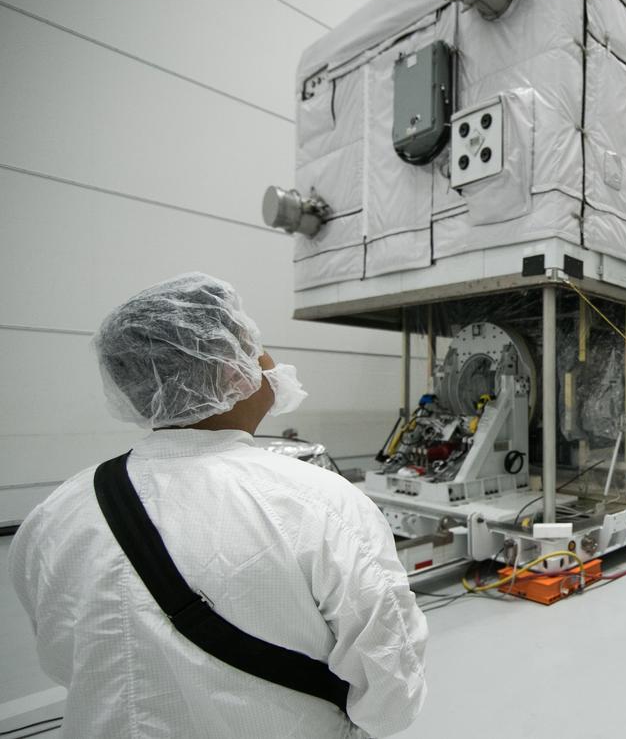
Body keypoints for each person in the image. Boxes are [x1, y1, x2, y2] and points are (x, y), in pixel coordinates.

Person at [9, 274, 429, 738]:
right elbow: (390, 691)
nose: (270, 362)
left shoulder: (56, 513)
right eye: (257, 346)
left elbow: (63, 659)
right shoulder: (321, 503)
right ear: (232, 371)